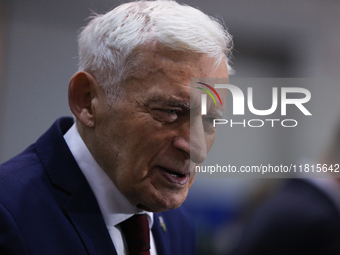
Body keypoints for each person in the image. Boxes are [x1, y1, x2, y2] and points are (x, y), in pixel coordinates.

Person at [0, 1, 232, 254]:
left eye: (209, 121)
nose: (195, 147)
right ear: (87, 100)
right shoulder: (9, 213)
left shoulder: (180, 228)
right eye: (171, 112)